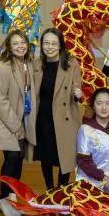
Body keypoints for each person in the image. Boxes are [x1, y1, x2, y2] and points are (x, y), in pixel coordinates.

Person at [0, 30, 36, 216]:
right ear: (9, 46)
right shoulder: (4, 66)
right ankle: (3, 198)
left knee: (19, 156)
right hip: (5, 119)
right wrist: (15, 125)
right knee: (12, 156)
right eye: (15, 43)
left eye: (23, 42)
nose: (20, 47)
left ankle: (11, 195)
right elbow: (0, 100)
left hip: (21, 117)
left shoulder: (28, 63)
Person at [32, 28, 83, 190]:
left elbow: (77, 88)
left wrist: (78, 93)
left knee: (65, 155)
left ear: (60, 45)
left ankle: (62, 189)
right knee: (45, 156)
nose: (50, 47)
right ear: (42, 45)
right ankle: (49, 189)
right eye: (46, 43)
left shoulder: (71, 63)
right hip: (43, 117)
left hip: (64, 116)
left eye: (54, 43)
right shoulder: (37, 64)